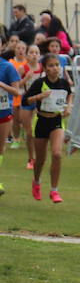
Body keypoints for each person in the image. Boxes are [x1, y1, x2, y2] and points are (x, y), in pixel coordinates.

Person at [23, 53, 72, 203]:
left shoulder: (64, 83)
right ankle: (36, 182)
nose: (55, 68)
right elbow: (25, 100)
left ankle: (54, 191)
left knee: (57, 154)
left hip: (56, 121)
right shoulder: (39, 83)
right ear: (45, 68)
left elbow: (69, 94)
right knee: (41, 159)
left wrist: (68, 107)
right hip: (41, 121)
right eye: (51, 66)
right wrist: (39, 97)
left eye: (57, 65)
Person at [0, 48, 23, 195]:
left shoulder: (7, 66)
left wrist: (1, 85)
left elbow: (16, 92)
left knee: (0, 148)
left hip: (3, 112)